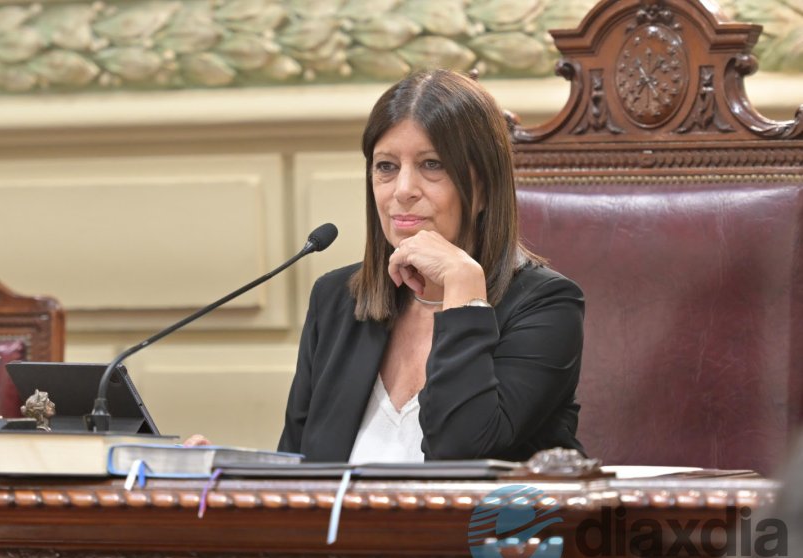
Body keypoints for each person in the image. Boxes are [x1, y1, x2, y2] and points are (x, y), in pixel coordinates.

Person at [187, 69, 584, 462]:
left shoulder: (547, 306)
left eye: (432, 165)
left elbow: (462, 453)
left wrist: (464, 290)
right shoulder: (337, 301)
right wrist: (228, 474)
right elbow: (299, 467)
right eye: (386, 167)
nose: (403, 190)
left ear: (482, 188)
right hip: (341, 529)